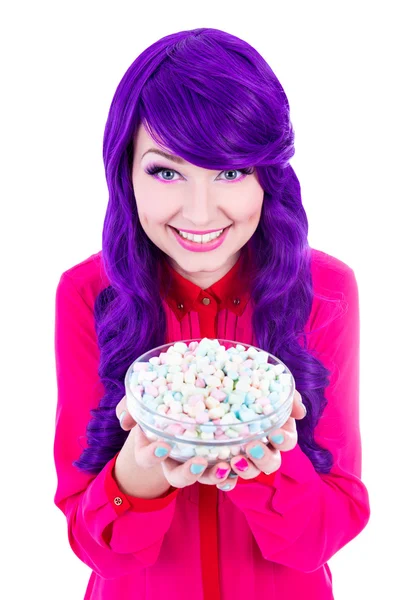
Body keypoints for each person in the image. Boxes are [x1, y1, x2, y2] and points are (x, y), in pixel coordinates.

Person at [53, 27, 370, 600]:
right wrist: (138, 476)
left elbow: (330, 528)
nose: (200, 213)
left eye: (230, 171)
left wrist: (266, 459)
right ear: (124, 172)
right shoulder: (86, 294)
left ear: (268, 175)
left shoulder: (326, 291)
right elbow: (90, 543)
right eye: (166, 170)